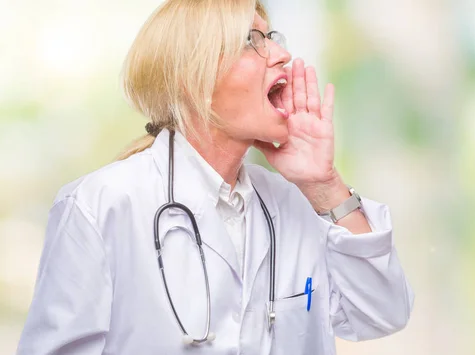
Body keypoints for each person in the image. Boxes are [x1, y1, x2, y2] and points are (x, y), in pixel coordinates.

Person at [17, 0, 414, 354]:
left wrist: (324, 185)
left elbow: (382, 314)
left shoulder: (297, 202)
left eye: (272, 36)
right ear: (195, 79)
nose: (282, 54)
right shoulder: (99, 206)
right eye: (250, 40)